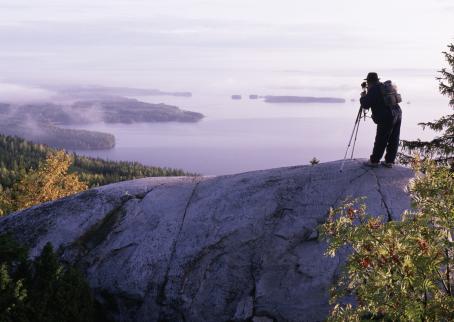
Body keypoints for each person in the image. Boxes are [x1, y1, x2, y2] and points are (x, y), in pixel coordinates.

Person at [360, 72, 402, 168]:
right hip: (397, 113)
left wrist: (363, 96)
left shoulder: (374, 89)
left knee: (381, 139)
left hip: (387, 117)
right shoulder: (384, 86)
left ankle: (374, 161)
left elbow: (365, 105)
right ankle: (389, 161)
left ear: (369, 81)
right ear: (377, 80)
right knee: (394, 138)